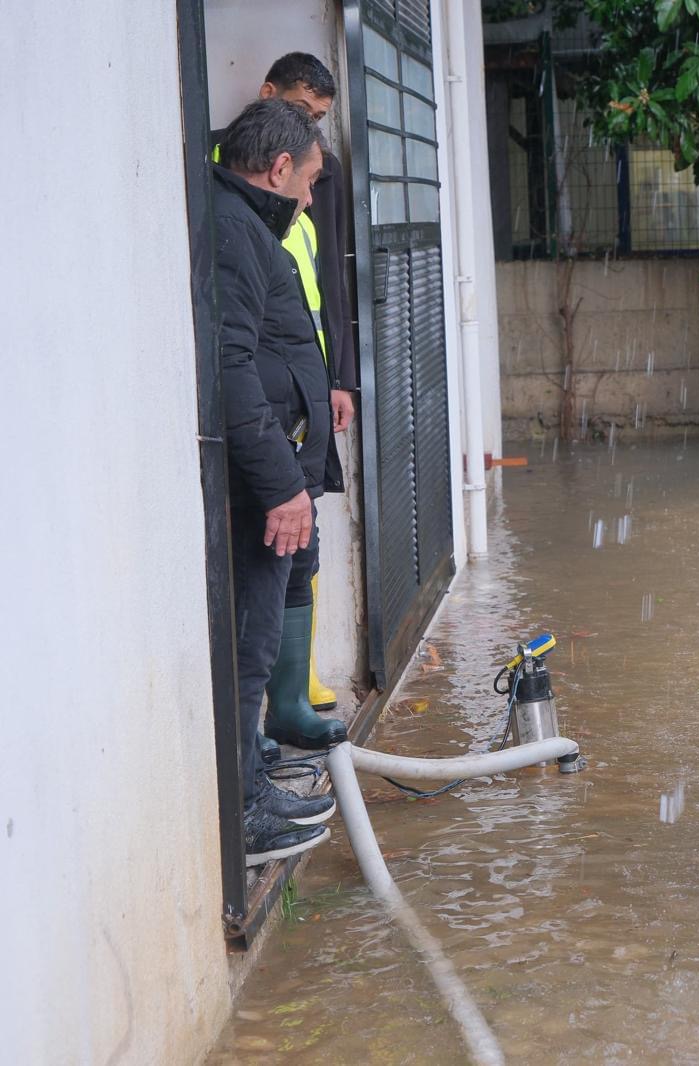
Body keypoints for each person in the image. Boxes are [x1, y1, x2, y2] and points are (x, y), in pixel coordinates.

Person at [212, 99, 340, 864]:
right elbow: (230, 369)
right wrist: (281, 485)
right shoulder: (236, 232)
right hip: (260, 484)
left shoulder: (245, 226)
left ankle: (251, 771)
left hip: (274, 472)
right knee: (249, 643)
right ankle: (245, 816)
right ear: (280, 167)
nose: (309, 199)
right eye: (311, 180)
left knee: (258, 634)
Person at [253, 53, 357, 753]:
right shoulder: (239, 184)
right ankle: (269, 712)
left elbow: (329, 290)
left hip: (307, 391)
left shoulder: (312, 186)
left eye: (319, 120)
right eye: (300, 112)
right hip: (266, 405)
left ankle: (295, 695)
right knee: (271, 555)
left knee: (304, 549)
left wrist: (337, 378)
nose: (309, 128)